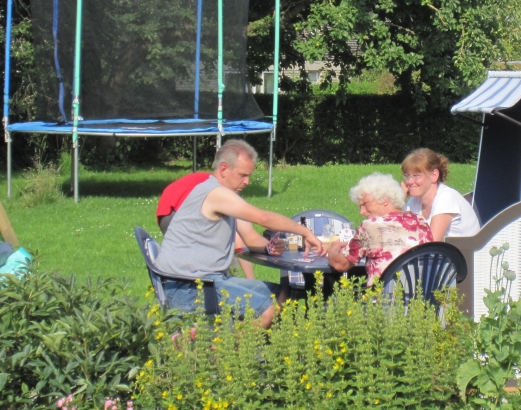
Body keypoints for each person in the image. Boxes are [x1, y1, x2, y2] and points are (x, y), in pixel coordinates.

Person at [154, 139, 325, 328]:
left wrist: (269, 248)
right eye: (243, 175)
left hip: (208, 282)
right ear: (224, 169)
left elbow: (250, 237)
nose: (247, 182)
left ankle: (251, 346)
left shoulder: (227, 197)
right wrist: (305, 232)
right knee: (266, 310)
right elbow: (263, 218)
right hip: (188, 287)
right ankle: (222, 352)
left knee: (282, 295)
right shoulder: (215, 193)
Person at [327, 173, 433, 286]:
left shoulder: (370, 226)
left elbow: (341, 264)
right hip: (423, 298)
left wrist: (333, 249)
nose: (361, 212)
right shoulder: (420, 221)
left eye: (365, 204)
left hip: (385, 299)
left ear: (385, 200)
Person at [156, 171, 256, 279]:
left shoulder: (213, 182)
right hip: (178, 209)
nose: (246, 182)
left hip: (164, 210)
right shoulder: (222, 194)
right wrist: (250, 279)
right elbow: (238, 239)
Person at [401, 148, 481, 241]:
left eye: (416, 175)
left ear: (434, 175)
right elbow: (397, 232)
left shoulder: (446, 198)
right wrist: (400, 200)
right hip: (442, 254)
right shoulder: (415, 200)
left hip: (465, 254)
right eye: (407, 176)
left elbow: (432, 243)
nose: (409, 181)